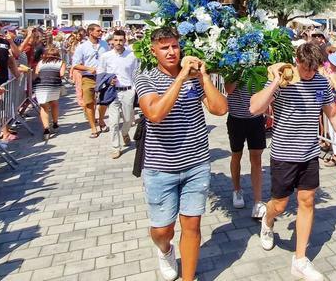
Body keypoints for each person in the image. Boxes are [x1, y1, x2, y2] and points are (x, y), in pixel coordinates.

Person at [250, 43, 336, 281]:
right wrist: (275, 83)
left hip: (309, 154)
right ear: (297, 60)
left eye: (313, 68)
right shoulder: (285, 79)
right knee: (279, 204)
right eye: (305, 68)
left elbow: (332, 114)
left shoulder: (320, 82)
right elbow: (255, 108)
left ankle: (300, 260)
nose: (308, 73)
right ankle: (267, 221)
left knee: (307, 201)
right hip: (284, 154)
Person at [134, 27, 227, 281]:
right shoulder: (146, 79)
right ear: (154, 52)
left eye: (175, 46)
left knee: (192, 225)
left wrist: (203, 77)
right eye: (164, 47)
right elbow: (155, 114)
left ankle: (188, 277)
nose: (171, 51)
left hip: (196, 163)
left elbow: (220, 110)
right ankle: (165, 250)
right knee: (163, 229)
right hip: (160, 167)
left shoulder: (196, 78)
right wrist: (181, 79)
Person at [224, 79, 267, 218]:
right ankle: (237, 190)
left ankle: (258, 201)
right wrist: (238, 71)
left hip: (256, 118)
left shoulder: (260, 65)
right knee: (236, 154)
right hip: (236, 118)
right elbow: (228, 89)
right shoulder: (233, 66)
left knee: (256, 158)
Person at [97, 30, 139, 158]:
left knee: (128, 119)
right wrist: (107, 82)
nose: (118, 43)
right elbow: (100, 73)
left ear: (125, 41)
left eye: (121, 40)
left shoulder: (132, 56)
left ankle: (125, 133)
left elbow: (136, 73)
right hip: (113, 92)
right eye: (116, 40)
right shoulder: (106, 56)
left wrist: (135, 89)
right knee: (113, 122)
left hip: (128, 91)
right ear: (112, 41)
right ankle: (116, 147)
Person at [71, 24, 109, 138]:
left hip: (102, 76)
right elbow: (75, 65)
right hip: (88, 77)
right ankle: (93, 127)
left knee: (104, 101)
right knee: (89, 103)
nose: (101, 32)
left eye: (101, 31)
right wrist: (88, 68)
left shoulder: (104, 44)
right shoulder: (82, 47)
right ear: (91, 32)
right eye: (98, 31)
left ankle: (101, 120)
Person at [33, 47, 65, 141]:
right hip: (54, 85)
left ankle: (46, 129)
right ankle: (55, 123)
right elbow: (62, 74)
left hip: (41, 86)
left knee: (44, 107)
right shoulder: (61, 62)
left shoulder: (41, 62)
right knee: (54, 104)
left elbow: (36, 73)